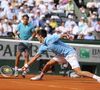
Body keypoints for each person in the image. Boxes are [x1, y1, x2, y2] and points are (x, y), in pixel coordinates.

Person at [22, 29, 100, 83]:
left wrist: (68, 36)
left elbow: (62, 35)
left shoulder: (50, 38)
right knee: (48, 64)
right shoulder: (43, 46)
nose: (37, 38)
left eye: (37, 36)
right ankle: (40, 76)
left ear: (40, 36)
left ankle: (97, 78)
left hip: (70, 53)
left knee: (78, 72)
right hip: (61, 55)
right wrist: (26, 65)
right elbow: (35, 57)